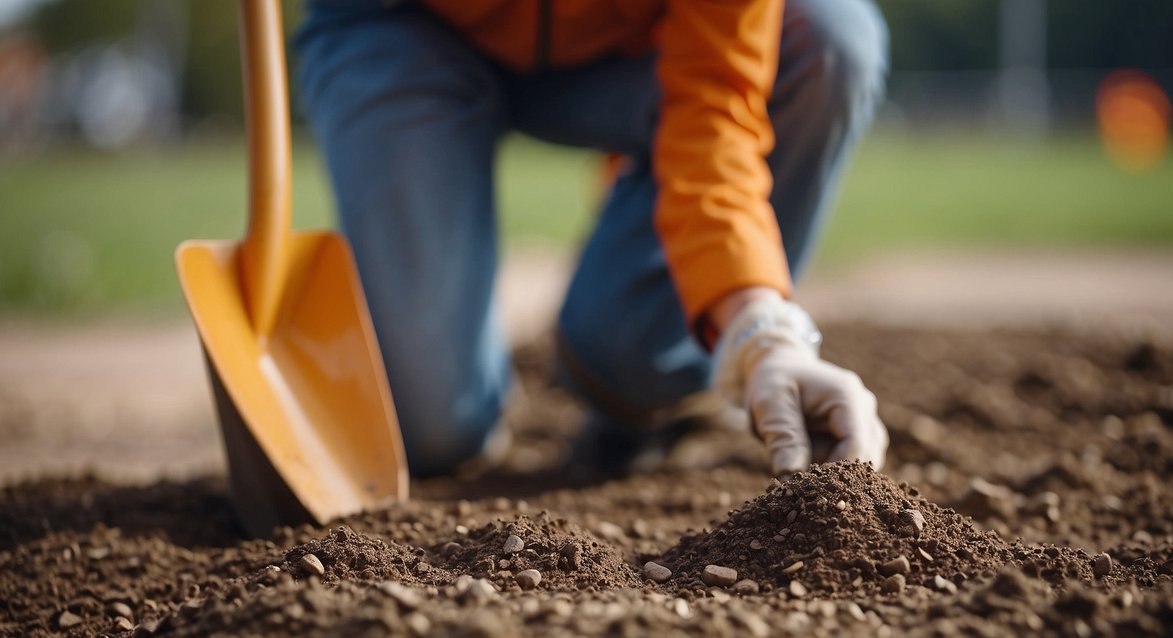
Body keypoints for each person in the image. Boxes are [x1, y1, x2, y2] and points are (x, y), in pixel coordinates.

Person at [293, 0, 889, 479]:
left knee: (828, 36)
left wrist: (761, 333)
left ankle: (645, 371)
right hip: (404, 25)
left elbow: (715, 109)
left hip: (631, 47)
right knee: (425, 435)